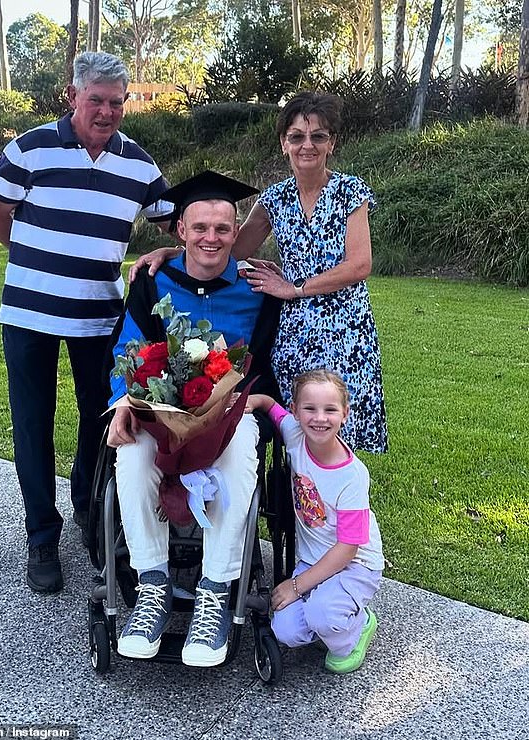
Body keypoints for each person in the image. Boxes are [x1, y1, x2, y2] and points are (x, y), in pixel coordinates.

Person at [0, 51, 173, 594]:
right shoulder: (30, 147)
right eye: (96, 101)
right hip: (28, 312)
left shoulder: (138, 164)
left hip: (98, 314)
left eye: (117, 102)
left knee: (102, 417)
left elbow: (176, 222)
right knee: (33, 424)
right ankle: (41, 534)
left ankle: (89, 504)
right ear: (72, 97)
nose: (107, 111)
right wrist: (29, 260)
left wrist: (164, 255)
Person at [131, 91, 387, 454]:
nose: (307, 146)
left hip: (343, 326)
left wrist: (294, 287)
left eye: (318, 136)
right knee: (296, 425)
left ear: (332, 143)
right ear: (284, 143)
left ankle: (337, 503)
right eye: (296, 136)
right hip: (294, 330)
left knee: (332, 423)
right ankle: (295, 508)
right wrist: (179, 247)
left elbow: (359, 265)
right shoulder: (275, 198)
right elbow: (227, 247)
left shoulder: (348, 191)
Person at [107, 171, 280, 668]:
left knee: (240, 454)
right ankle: (152, 586)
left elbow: (266, 360)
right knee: (133, 451)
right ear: (180, 229)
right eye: (200, 226)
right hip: (159, 409)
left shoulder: (256, 289)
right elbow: (128, 349)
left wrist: (246, 400)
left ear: (235, 233)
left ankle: (213, 591)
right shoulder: (152, 281)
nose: (211, 238)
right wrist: (124, 401)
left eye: (223, 229)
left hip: (231, 409)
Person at [246, 369, 384, 674]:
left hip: (355, 564)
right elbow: (272, 407)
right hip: (313, 560)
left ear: (345, 414)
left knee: (323, 616)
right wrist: (254, 400)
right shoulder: (295, 435)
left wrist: (297, 586)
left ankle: (357, 626)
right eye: (309, 408)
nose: (319, 418)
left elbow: (348, 548)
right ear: (296, 411)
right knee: (285, 630)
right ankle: (330, 616)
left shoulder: (351, 476)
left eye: (330, 410)